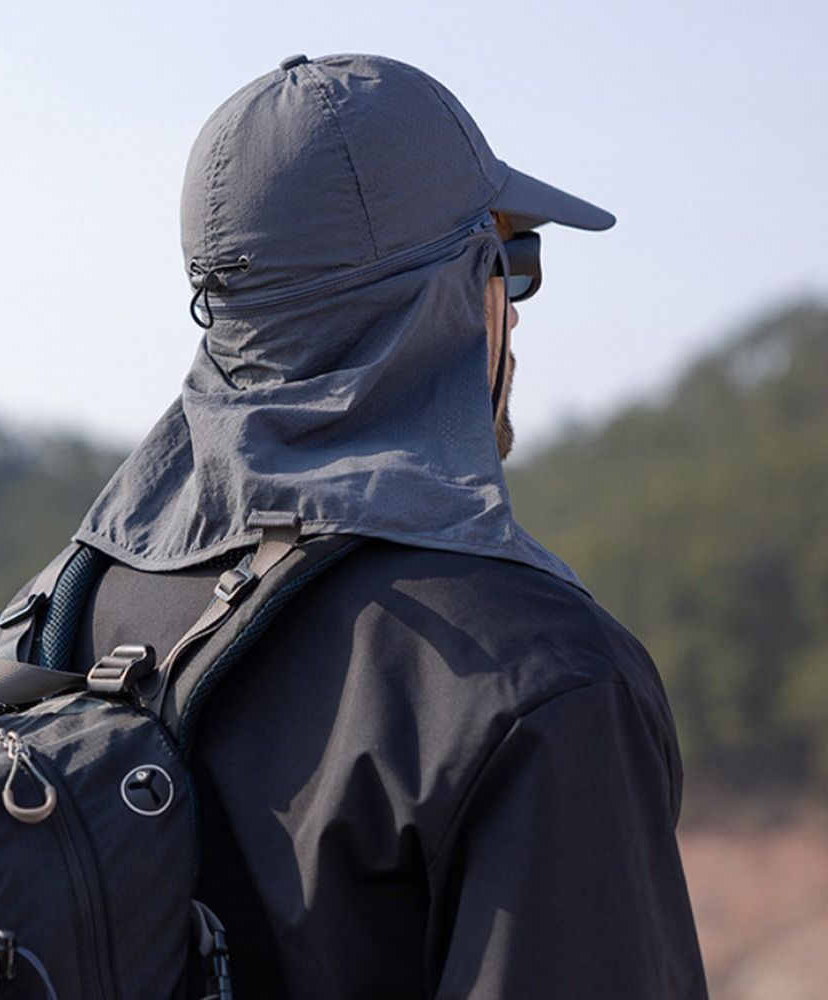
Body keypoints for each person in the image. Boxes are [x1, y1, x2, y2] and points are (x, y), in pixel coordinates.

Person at [59, 53, 707, 997]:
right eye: (513, 263)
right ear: (463, 290)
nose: (516, 322)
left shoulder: (59, 611)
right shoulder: (543, 679)